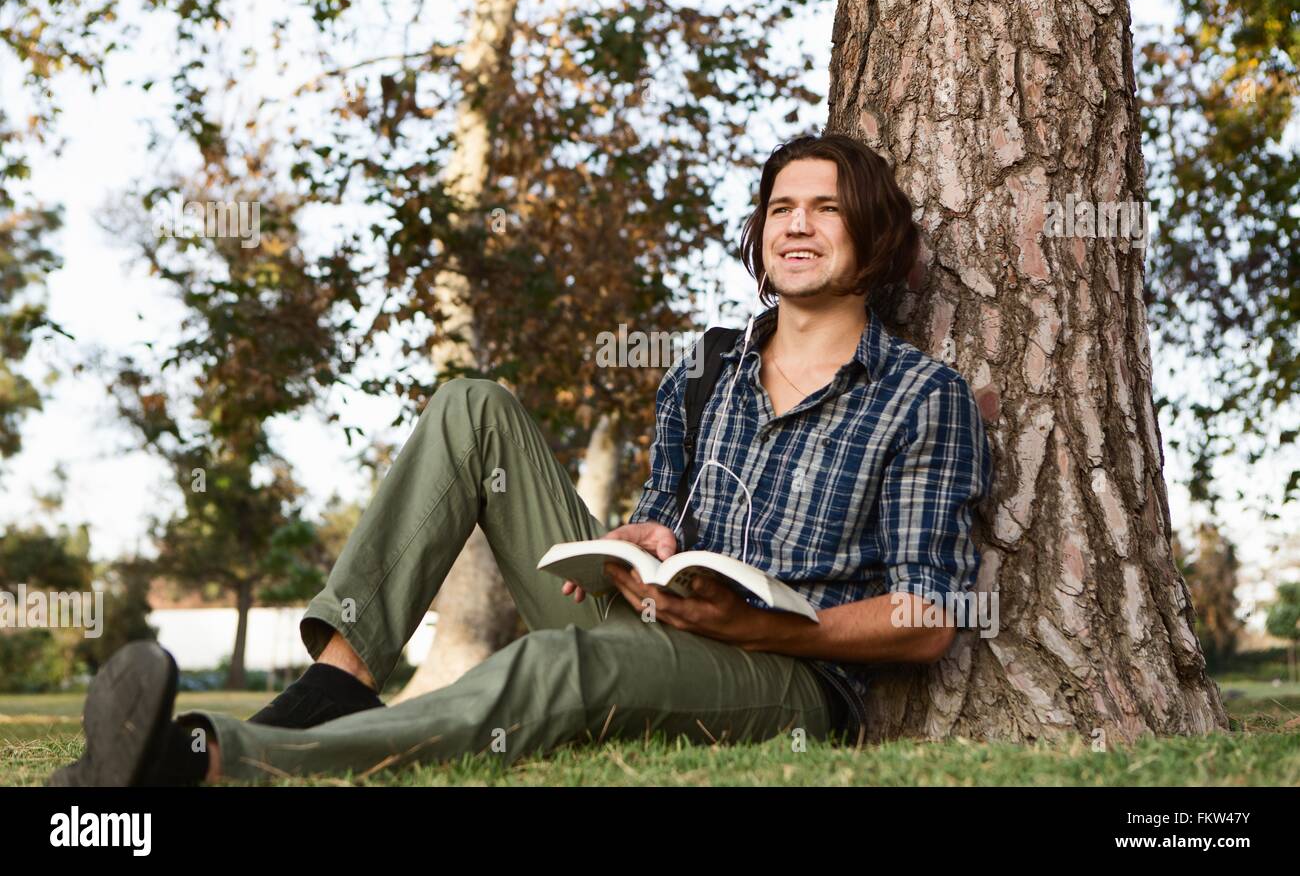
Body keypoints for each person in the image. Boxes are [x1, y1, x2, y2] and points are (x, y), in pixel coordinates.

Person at [50, 133, 993, 786]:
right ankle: (336, 680)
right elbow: (671, 509)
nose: (795, 225)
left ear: (871, 236)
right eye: (780, 206)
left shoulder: (921, 397)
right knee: (473, 407)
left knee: (557, 666)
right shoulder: (710, 364)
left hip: (787, 681)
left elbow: (927, 619)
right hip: (663, 623)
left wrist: (765, 632)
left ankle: (214, 761)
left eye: (824, 209)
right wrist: (641, 538)